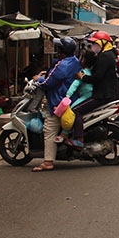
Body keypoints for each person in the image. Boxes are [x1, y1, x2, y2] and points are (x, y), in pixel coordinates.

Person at [32, 37, 80, 172]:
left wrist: (38, 80)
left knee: (49, 129)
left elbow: (48, 82)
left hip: (59, 102)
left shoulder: (62, 65)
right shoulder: (75, 61)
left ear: (62, 51)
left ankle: (48, 162)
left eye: (58, 49)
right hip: (72, 99)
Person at [68, 31, 119, 148]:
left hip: (104, 94)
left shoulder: (104, 57)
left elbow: (97, 77)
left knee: (76, 110)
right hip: (113, 92)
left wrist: (83, 77)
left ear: (103, 43)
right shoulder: (113, 55)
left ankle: (79, 139)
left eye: (95, 43)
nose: (93, 46)